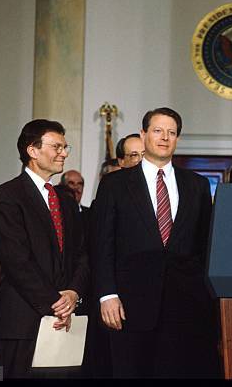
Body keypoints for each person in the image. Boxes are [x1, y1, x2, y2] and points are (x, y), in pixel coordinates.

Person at [91, 107, 220, 378]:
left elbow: (205, 245)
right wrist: (107, 294)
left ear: (178, 139)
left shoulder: (197, 185)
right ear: (144, 134)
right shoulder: (115, 184)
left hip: (185, 308)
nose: (164, 137)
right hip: (129, 306)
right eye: (158, 131)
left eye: (171, 133)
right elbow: (102, 243)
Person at [0, 119, 89, 378]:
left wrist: (73, 294)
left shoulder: (65, 201)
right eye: (57, 146)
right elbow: (16, 261)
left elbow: (82, 254)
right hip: (21, 323)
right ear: (32, 151)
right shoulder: (6, 197)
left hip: (65, 323)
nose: (64, 153)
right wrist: (56, 302)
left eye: (66, 147)